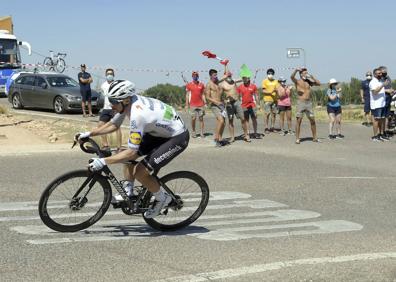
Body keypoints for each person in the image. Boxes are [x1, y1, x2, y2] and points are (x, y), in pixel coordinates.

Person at [75, 80, 189, 218]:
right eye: (109, 100)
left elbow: (132, 152)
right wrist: (89, 133)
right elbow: (114, 124)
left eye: (114, 101)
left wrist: (103, 161)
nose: (111, 104)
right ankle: (128, 190)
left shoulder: (138, 115)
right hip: (158, 133)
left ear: (126, 100)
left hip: (176, 138)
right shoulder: (128, 103)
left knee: (140, 172)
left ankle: (163, 199)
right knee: (122, 153)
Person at [291, 67, 321, 144]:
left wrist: (311, 77)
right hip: (301, 102)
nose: (306, 74)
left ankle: (314, 137)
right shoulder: (297, 81)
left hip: (309, 103)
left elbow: (318, 83)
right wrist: (296, 70)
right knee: (299, 121)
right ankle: (297, 138)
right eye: (304, 73)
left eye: (306, 73)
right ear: (301, 74)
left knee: (312, 120)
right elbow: (292, 77)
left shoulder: (309, 81)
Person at [219, 67, 250, 143]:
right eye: (228, 76)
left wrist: (246, 75)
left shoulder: (233, 81)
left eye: (230, 76)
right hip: (229, 105)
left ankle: (246, 135)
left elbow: (243, 79)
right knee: (230, 121)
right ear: (225, 76)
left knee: (243, 119)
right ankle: (232, 137)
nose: (230, 77)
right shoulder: (222, 85)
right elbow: (219, 96)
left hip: (237, 102)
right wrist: (224, 100)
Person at [98, 68, 122, 151]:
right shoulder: (103, 85)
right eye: (108, 74)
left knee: (117, 127)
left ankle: (119, 147)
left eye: (111, 74)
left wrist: (118, 108)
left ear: (114, 75)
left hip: (115, 108)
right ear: (105, 75)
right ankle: (105, 145)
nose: (109, 75)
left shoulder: (117, 84)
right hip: (106, 108)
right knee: (101, 125)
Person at [205, 69, 226, 147]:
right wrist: (216, 102)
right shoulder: (208, 84)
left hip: (221, 105)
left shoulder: (218, 82)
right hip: (214, 105)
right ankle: (216, 139)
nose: (216, 76)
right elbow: (207, 97)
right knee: (220, 120)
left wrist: (225, 64)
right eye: (214, 75)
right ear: (210, 75)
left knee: (223, 123)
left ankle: (220, 139)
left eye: (216, 75)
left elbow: (226, 75)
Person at [369, 68, 389, 141]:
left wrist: (388, 90)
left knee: (381, 120)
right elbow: (375, 92)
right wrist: (383, 85)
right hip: (376, 105)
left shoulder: (379, 81)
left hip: (382, 104)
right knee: (376, 120)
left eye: (381, 73)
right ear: (374, 74)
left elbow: (381, 90)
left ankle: (380, 134)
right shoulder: (372, 82)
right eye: (379, 73)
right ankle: (375, 136)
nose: (381, 74)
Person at [185, 71, 206, 138]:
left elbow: (203, 94)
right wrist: (186, 104)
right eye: (194, 76)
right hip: (192, 105)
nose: (195, 77)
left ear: (198, 76)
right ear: (192, 77)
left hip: (201, 104)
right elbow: (187, 95)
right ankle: (193, 131)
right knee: (193, 118)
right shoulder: (189, 85)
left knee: (201, 118)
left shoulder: (201, 84)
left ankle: (201, 133)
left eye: (196, 76)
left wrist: (205, 103)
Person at [261, 68, 279, 133]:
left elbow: (278, 89)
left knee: (274, 114)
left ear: (273, 74)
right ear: (267, 74)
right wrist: (270, 92)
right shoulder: (264, 81)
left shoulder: (276, 81)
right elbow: (263, 90)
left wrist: (277, 91)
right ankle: (266, 128)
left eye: (271, 73)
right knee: (267, 114)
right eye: (269, 73)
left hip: (275, 100)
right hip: (267, 100)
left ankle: (272, 127)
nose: (270, 74)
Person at [379, 66, 395, 137]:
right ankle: (381, 132)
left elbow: (390, 87)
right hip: (382, 99)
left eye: (386, 71)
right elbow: (376, 89)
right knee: (381, 116)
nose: (385, 73)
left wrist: (392, 91)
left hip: (389, 98)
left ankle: (384, 131)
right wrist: (386, 90)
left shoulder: (388, 78)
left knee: (386, 116)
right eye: (383, 72)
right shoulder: (379, 79)